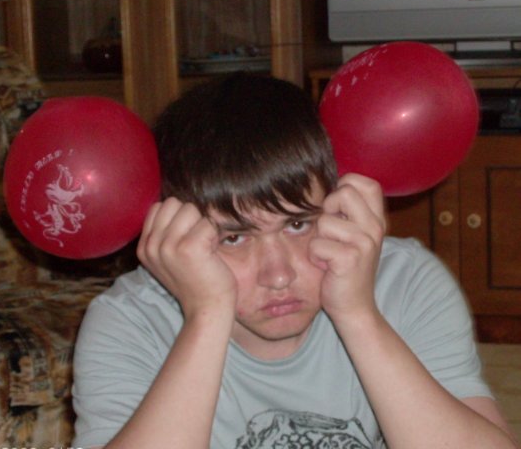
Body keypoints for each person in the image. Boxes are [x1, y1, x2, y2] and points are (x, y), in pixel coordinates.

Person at [71, 72, 518, 449]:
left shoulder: (406, 281)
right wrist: (205, 315)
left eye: (299, 225)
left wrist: (358, 314)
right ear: (175, 235)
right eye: (233, 237)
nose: (279, 274)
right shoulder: (129, 320)